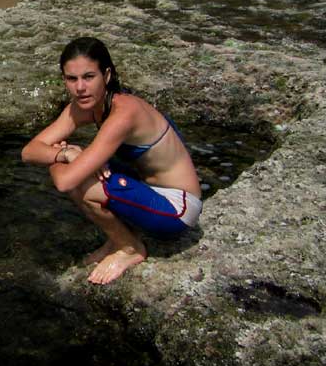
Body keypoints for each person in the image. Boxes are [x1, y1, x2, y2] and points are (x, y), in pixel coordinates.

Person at [21, 37, 202, 285]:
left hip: (177, 209)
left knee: (81, 183)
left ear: (106, 76)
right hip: (149, 191)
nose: (80, 87)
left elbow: (65, 182)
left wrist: (63, 154)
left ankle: (130, 248)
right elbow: (29, 151)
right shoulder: (84, 107)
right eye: (72, 79)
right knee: (74, 166)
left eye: (89, 77)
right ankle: (116, 239)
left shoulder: (124, 112)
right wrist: (65, 154)